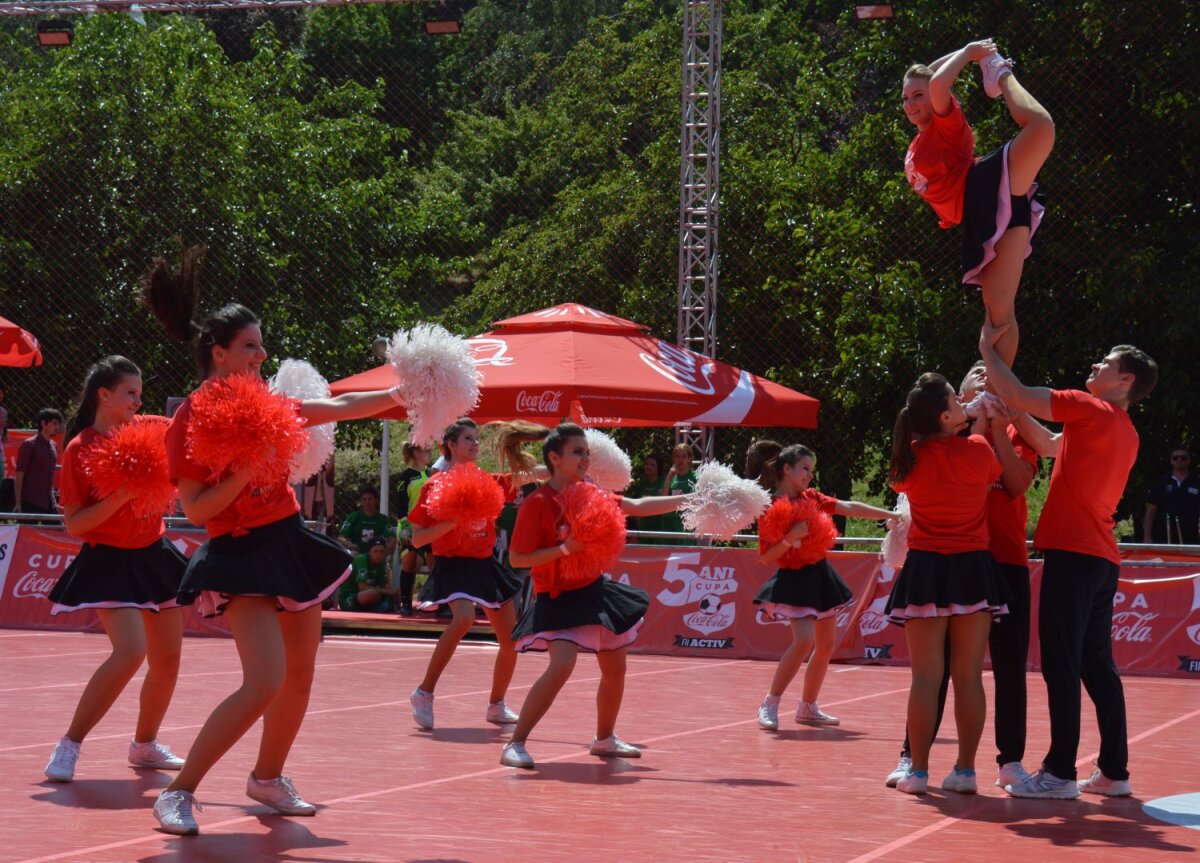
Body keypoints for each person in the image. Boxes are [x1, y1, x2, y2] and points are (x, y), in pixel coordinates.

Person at [142, 242, 410, 835]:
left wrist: (398, 396)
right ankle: (179, 792)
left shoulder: (267, 403)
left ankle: (267, 777)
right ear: (219, 353)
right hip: (239, 554)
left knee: (301, 674)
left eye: (261, 344)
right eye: (250, 346)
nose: (262, 354)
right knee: (264, 678)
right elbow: (197, 506)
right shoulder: (190, 418)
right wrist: (245, 466)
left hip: (288, 540)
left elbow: (334, 405)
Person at [980, 321, 1157, 799]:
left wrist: (986, 351)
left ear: (1125, 381)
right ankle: (1115, 772)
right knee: (1097, 665)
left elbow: (1015, 388)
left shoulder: (1087, 408)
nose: (1095, 366)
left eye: (1106, 363)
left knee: (1062, 664)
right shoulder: (1122, 429)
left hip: (1075, 555)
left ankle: (1059, 773)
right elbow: (1050, 446)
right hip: (1101, 560)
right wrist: (1010, 417)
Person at [885, 361, 1038, 790]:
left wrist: (967, 411)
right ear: (945, 416)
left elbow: (905, 471)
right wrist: (980, 417)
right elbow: (999, 477)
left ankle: (917, 770)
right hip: (973, 567)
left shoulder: (909, 458)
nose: (964, 401)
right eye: (956, 399)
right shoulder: (979, 451)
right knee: (968, 674)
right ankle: (966, 770)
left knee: (925, 677)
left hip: (926, 568)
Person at [499, 422, 688, 769]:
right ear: (554, 458)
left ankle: (604, 739)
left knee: (616, 667)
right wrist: (564, 549)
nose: (585, 458)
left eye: (586, 451)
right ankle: (515, 743)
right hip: (557, 596)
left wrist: (691, 499)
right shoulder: (537, 502)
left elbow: (636, 504)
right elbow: (517, 558)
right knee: (562, 664)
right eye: (577, 452)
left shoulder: (591, 493)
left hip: (594, 591)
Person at [42, 357, 188, 783]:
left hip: (154, 553)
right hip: (108, 559)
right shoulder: (79, 449)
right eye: (130, 393)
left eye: (140, 395)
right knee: (130, 651)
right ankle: (70, 743)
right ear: (103, 395)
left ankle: (144, 746)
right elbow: (76, 523)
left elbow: (187, 435)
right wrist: (120, 497)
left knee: (169, 659)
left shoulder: (149, 431)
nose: (137, 402)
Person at [902, 38, 1054, 367]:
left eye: (918, 95)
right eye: (905, 97)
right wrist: (960, 59)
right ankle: (997, 400)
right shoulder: (920, 136)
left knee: (1041, 129)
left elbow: (939, 82)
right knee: (998, 315)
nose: (910, 103)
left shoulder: (945, 122)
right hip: (981, 217)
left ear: (932, 97)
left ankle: (998, 72)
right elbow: (933, 75)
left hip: (984, 187)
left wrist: (975, 54)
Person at [754, 444, 896, 730]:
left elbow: (847, 507)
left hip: (819, 575)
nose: (809, 475)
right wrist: (791, 536)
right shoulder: (769, 506)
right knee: (804, 639)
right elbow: (766, 556)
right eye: (805, 468)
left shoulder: (811, 497)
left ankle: (808, 707)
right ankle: (770, 702)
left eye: (812, 470)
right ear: (787, 469)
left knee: (827, 644)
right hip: (793, 579)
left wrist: (889, 515)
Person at [406, 418, 527, 731]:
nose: (475, 444)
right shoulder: (433, 486)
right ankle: (424, 692)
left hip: (484, 564)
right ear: (451, 445)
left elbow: (530, 476)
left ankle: (496, 704)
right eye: (468, 439)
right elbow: (417, 539)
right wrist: (450, 523)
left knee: (510, 640)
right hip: (453, 565)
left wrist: (526, 447)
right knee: (463, 619)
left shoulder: (487, 481)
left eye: (476, 439)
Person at [395, 441, 433, 615]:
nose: (430, 452)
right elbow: (401, 502)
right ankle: (405, 603)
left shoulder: (431, 473)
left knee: (435, 563)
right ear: (417, 453)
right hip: (409, 526)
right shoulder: (406, 476)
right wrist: (404, 524)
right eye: (426, 450)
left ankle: (436, 601)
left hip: (430, 526)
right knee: (409, 564)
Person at [1143, 446, 1200, 545]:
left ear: (1188, 461)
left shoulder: (1196, 482)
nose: (1179, 460)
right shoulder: (1160, 483)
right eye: (1175, 458)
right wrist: (1147, 537)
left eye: (1183, 457)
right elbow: (1151, 510)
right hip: (1163, 537)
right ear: (1171, 461)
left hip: (1191, 537)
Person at [14, 407, 64, 517]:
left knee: (57, 531)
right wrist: (18, 502)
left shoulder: (53, 445)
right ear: (43, 424)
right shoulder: (29, 445)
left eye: (58, 424)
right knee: (26, 531)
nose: (57, 427)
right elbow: (19, 474)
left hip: (49, 502)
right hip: (30, 501)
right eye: (54, 423)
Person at [337, 537, 398, 612]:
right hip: (349, 598)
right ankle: (378, 607)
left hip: (371, 593)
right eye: (375, 551)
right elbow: (362, 587)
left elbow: (384, 585)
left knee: (396, 591)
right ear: (369, 552)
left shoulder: (381, 564)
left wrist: (391, 591)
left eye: (382, 552)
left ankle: (387, 607)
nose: (379, 555)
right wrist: (383, 591)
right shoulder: (362, 559)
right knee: (373, 594)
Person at [626, 454, 671, 544]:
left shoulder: (664, 483)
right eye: (647, 464)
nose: (648, 467)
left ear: (659, 467)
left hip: (660, 530)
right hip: (643, 530)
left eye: (652, 465)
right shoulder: (641, 484)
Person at [338, 486, 396, 556]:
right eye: (364, 499)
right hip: (356, 553)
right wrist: (349, 544)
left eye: (370, 499)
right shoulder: (353, 516)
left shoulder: (383, 519)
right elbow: (340, 538)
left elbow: (391, 538)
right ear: (361, 501)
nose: (367, 502)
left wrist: (387, 547)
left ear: (376, 500)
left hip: (376, 556)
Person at [658, 443, 697, 544]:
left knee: (686, 554)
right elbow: (662, 499)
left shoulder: (695, 477)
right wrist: (669, 477)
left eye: (684, 456)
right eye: (677, 456)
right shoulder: (671, 477)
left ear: (689, 459)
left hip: (685, 522)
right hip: (669, 521)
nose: (680, 459)